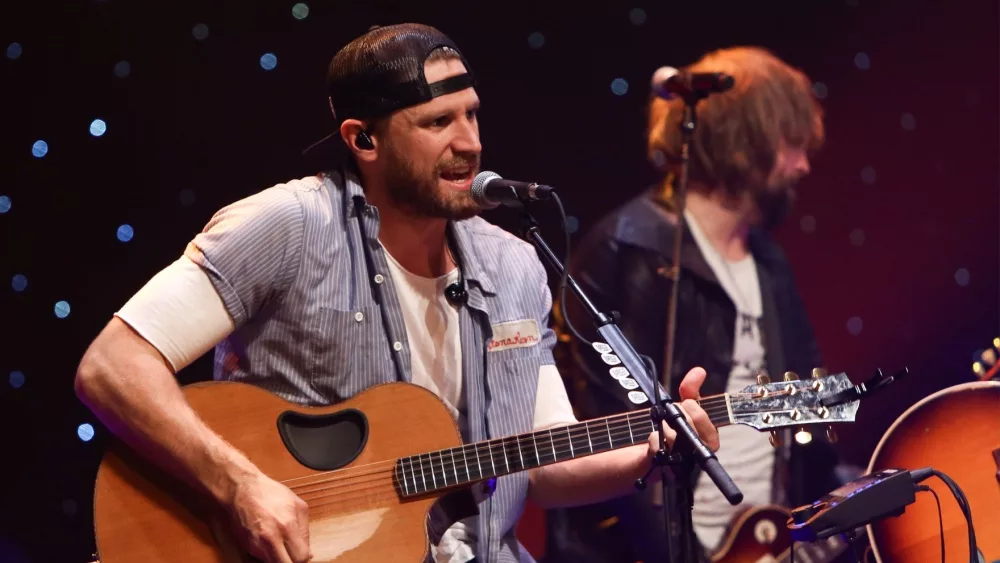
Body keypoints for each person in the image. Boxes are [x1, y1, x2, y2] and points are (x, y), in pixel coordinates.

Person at [73, 23, 719, 563]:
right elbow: (111, 366)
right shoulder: (289, 227)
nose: (470, 143)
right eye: (438, 121)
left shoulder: (515, 264)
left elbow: (544, 463)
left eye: (471, 115)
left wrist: (650, 451)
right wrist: (240, 484)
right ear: (364, 139)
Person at [543, 46, 844, 563]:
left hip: (765, 542)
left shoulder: (767, 259)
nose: (803, 164)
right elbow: (612, 439)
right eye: (792, 144)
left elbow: (811, 411)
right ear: (746, 143)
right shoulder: (628, 250)